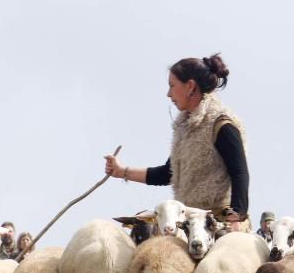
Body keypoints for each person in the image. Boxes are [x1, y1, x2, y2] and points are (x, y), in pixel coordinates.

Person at [104, 54, 250, 231]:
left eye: (172, 86)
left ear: (190, 86)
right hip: (187, 222)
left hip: (216, 223)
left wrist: (237, 215)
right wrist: (121, 172)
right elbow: (167, 173)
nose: (168, 94)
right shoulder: (186, 129)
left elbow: (239, 172)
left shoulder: (221, 124)